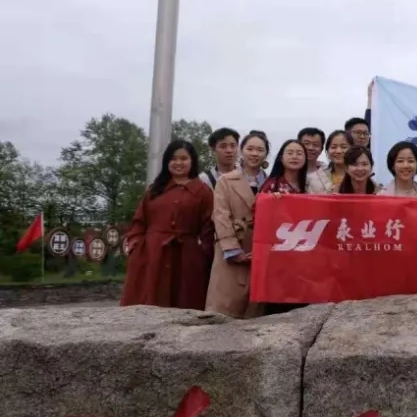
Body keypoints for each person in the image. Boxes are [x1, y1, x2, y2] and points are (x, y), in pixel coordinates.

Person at [121, 140, 214, 310]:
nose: (178, 163)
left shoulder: (203, 192)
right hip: (151, 254)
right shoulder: (154, 190)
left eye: (184, 158)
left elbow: (208, 228)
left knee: (184, 303)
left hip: (187, 257)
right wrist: (135, 244)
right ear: (166, 162)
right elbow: (139, 221)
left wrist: (202, 254)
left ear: (192, 161)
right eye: (173, 158)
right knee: (148, 301)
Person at [206, 131, 270, 318]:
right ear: (242, 151)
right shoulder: (225, 181)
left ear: (266, 154)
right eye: (250, 149)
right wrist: (232, 249)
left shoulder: (270, 183)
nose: (255, 154)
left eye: (260, 150)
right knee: (224, 310)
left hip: (258, 252)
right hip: (232, 250)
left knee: (254, 315)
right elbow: (221, 217)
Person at [257, 140, 310, 315]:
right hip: (278, 253)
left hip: (303, 253)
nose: (295, 157)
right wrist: (270, 202)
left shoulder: (308, 186)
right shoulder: (272, 185)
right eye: (290, 152)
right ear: (281, 157)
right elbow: (257, 212)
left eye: (299, 153)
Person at [298, 127, 332, 194]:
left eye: (316, 145)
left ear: (321, 149)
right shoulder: (288, 172)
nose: (310, 148)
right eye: (306, 143)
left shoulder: (328, 172)